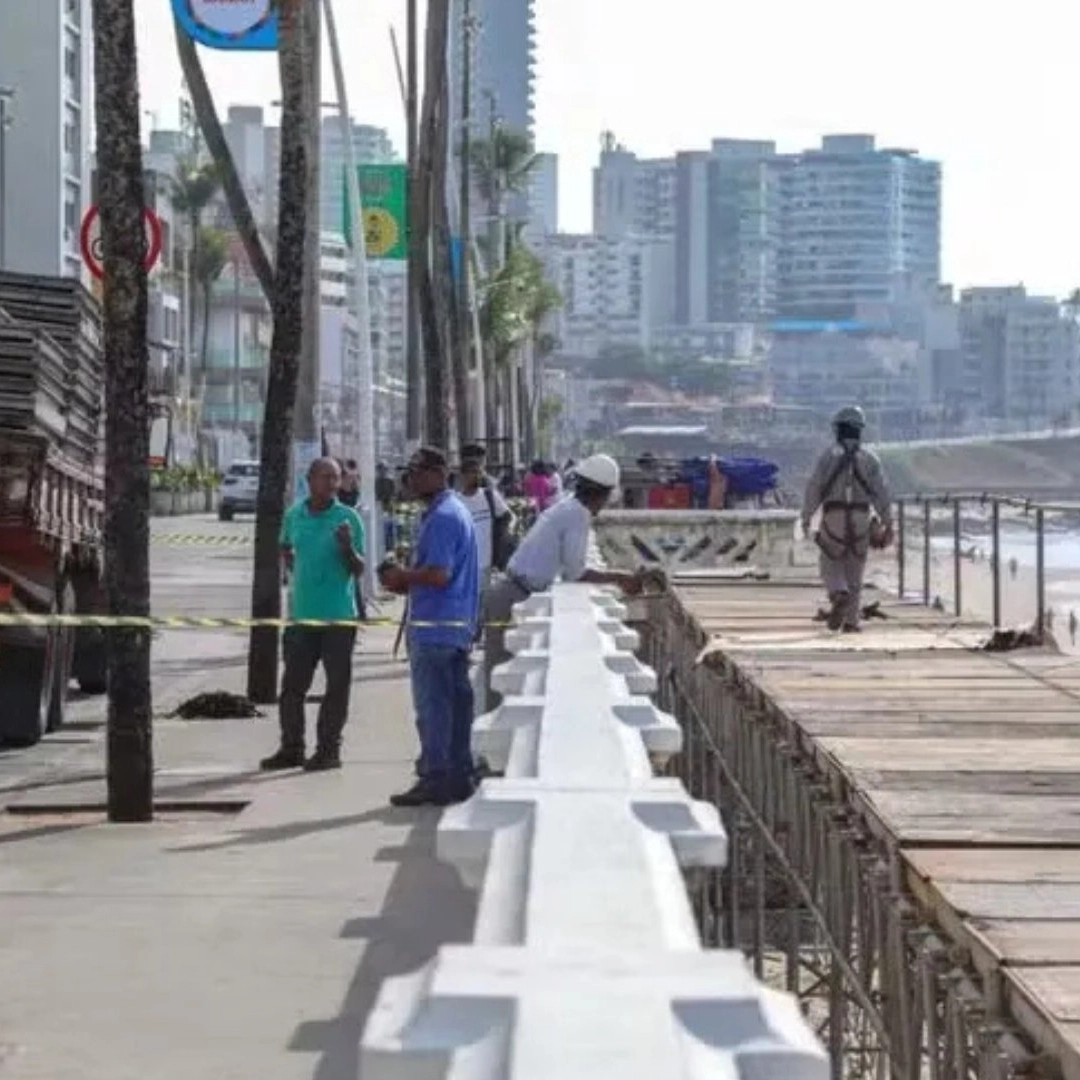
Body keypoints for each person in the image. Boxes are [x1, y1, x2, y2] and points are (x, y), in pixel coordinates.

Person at [482, 453, 657, 710]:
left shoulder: (567, 507)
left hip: (512, 590)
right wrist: (621, 578)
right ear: (604, 494)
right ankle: (484, 748)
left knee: (503, 678)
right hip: (512, 597)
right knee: (502, 684)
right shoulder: (578, 516)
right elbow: (575, 574)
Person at [379, 447, 480, 807]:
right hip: (452, 626)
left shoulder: (442, 518)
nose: (412, 479)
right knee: (454, 706)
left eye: (417, 471)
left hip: (436, 627)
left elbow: (439, 574)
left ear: (439, 473)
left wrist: (401, 576)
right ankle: (458, 775)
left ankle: (435, 778)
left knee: (434, 709)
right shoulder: (453, 512)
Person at [261, 457, 366, 773]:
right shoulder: (294, 516)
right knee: (293, 687)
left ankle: (328, 750)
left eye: (336, 478)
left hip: (338, 618)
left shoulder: (348, 519)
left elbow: (359, 568)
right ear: (309, 480)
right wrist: (292, 564)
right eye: (325, 477)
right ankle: (291, 747)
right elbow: (284, 546)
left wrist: (347, 547)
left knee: (336, 687)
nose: (332, 484)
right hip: (302, 618)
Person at [801, 406, 893, 633]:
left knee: (830, 562)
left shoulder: (827, 456)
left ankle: (837, 593)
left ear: (838, 429)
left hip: (834, 516)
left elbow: (814, 488)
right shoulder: (871, 458)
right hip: (862, 517)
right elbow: (881, 492)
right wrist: (888, 522)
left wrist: (806, 517)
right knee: (856, 569)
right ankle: (852, 622)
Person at [456, 453, 516, 613]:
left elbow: (508, 517)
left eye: (478, 472)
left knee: (482, 606)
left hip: (486, 563)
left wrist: (501, 541)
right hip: (464, 565)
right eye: (471, 472)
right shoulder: (456, 502)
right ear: (462, 476)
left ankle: (476, 633)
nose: (475, 476)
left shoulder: (489, 496)